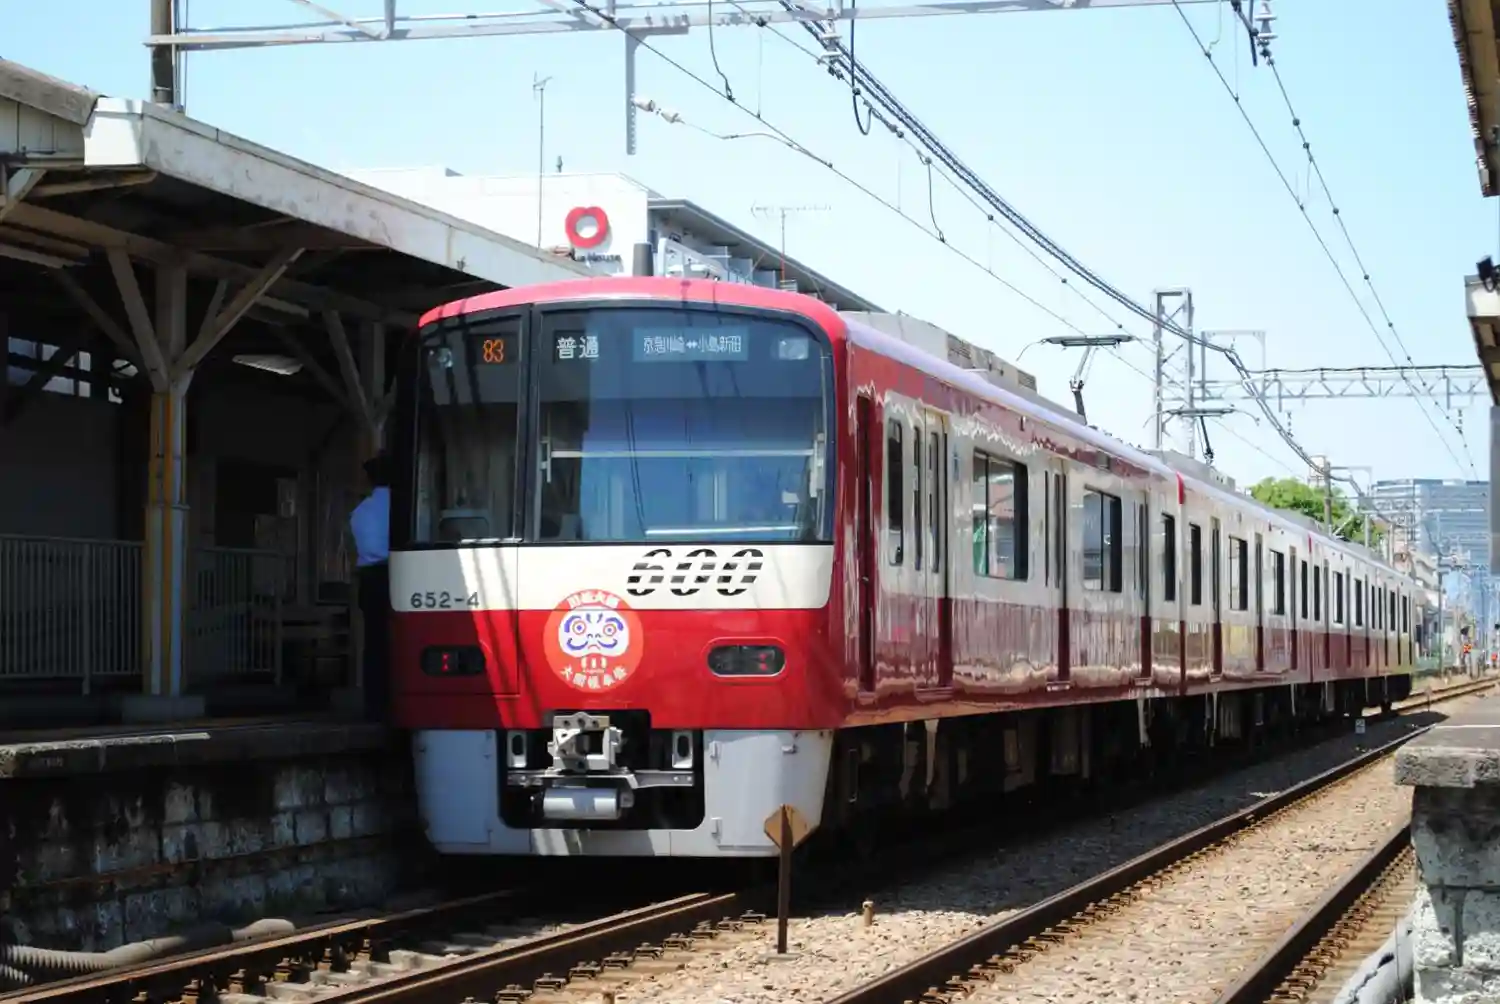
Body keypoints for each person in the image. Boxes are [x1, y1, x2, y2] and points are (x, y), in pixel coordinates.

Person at [350, 452, 391, 720]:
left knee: (374, 643)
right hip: (394, 573)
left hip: (369, 578)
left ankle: (373, 704)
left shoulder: (360, 511)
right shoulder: (401, 508)